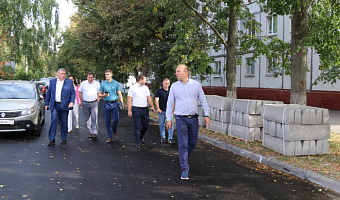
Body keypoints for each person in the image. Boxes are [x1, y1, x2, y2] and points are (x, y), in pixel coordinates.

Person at [166, 64, 210, 180]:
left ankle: (183, 157)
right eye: (176, 71)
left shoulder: (196, 85)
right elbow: (170, 103)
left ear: (186, 72)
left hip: (193, 118)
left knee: (193, 143)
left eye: (178, 71)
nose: (176, 73)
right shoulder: (174, 86)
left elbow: (203, 100)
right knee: (182, 144)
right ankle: (184, 168)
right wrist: (169, 119)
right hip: (180, 118)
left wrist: (207, 114)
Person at [45, 68, 75, 146]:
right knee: (54, 121)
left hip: (65, 105)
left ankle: (63, 138)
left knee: (64, 122)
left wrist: (72, 102)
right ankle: (51, 139)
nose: (63, 75)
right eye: (62, 73)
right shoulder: (52, 82)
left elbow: (72, 93)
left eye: (64, 73)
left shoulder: (69, 82)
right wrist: (46, 103)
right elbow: (49, 93)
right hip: (55, 105)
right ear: (58, 74)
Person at [127, 74, 155, 149]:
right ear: (141, 80)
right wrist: (129, 110)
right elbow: (129, 100)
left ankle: (141, 135)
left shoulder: (145, 88)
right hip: (136, 109)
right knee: (137, 126)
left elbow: (148, 97)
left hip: (144, 109)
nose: (146, 81)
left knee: (146, 125)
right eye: (145, 80)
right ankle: (137, 142)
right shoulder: (133, 88)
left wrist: (152, 106)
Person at [98, 69, 124, 143]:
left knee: (116, 119)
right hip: (107, 103)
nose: (106, 76)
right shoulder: (103, 84)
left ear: (111, 74)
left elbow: (119, 93)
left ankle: (114, 131)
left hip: (115, 103)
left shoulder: (115, 83)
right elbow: (99, 94)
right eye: (105, 74)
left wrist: (122, 102)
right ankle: (110, 136)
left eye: (108, 74)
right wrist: (103, 95)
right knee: (107, 121)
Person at [79, 72, 100, 140]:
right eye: (89, 77)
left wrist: (98, 101)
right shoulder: (83, 83)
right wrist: (82, 101)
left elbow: (99, 93)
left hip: (94, 103)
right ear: (87, 77)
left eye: (91, 77)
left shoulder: (96, 84)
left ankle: (94, 133)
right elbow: (80, 92)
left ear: (93, 77)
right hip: (86, 103)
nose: (90, 79)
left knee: (94, 118)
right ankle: (90, 132)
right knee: (87, 119)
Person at [155, 78, 175, 144]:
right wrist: (158, 108)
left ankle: (170, 138)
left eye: (168, 84)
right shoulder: (159, 91)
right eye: (165, 83)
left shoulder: (171, 91)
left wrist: (173, 110)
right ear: (162, 83)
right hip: (162, 111)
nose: (167, 85)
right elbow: (156, 100)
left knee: (171, 125)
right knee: (162, 124)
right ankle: (163, 137)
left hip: (169, 112)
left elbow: (174, 101)